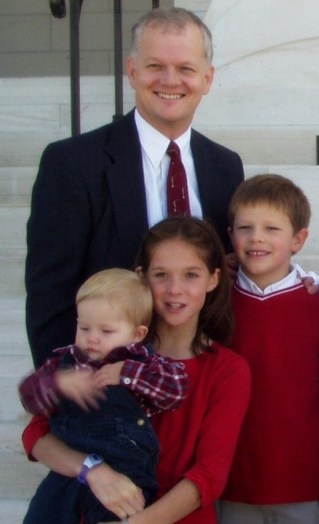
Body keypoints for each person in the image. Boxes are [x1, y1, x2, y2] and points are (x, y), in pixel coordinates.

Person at [25, 7, 244, 369]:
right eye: (156, 66)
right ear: (132, 72)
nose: (170, 80)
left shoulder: (225, 167)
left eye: (186, 69)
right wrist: (68, 397)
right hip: (106, 389)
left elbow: (235, 271)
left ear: (207, 79)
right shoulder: (73, 164)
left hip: (199, 380)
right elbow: (50, 296)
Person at [23, 217, 252, 524]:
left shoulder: (227, 370)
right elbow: (36, 432)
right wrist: (93, 471)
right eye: (161, 275)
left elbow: (208, 475)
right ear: (141, 277)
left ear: (212, 279)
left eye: (191, 275)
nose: (175, 290)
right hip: (89, 505)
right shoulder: (101, 350)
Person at [219, 174, 319, 523]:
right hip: (233, 484)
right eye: (245, 227)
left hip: (308, 485)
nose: (256, 237)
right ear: (231, 236)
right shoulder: (215, 309)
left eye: (272, 228)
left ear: (298, 240)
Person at [19, 268, 188, 524]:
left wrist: (127, 373)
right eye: (84, 328)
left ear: (137, 334)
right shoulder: (64, 364)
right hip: (69, 472)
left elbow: (175, 389)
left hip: (128, 473)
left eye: (106, 331)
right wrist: (56, 384)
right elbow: (29, 397)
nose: (92, 339)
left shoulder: (144, 363)